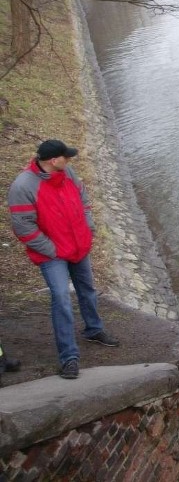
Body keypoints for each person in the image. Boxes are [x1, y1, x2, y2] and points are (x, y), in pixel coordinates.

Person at [7, 139, 120, 380]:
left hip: (79, 246)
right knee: (61, 299)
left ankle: (94, 329)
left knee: (87, 289)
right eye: (65, 157)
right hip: (53, 254)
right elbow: (23, 227)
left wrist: (88, 227)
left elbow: (83, 197)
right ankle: (69, 357)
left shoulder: (67, 171)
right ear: (52, 160)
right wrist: (51, 249)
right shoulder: (23, 186)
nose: (69, 160)